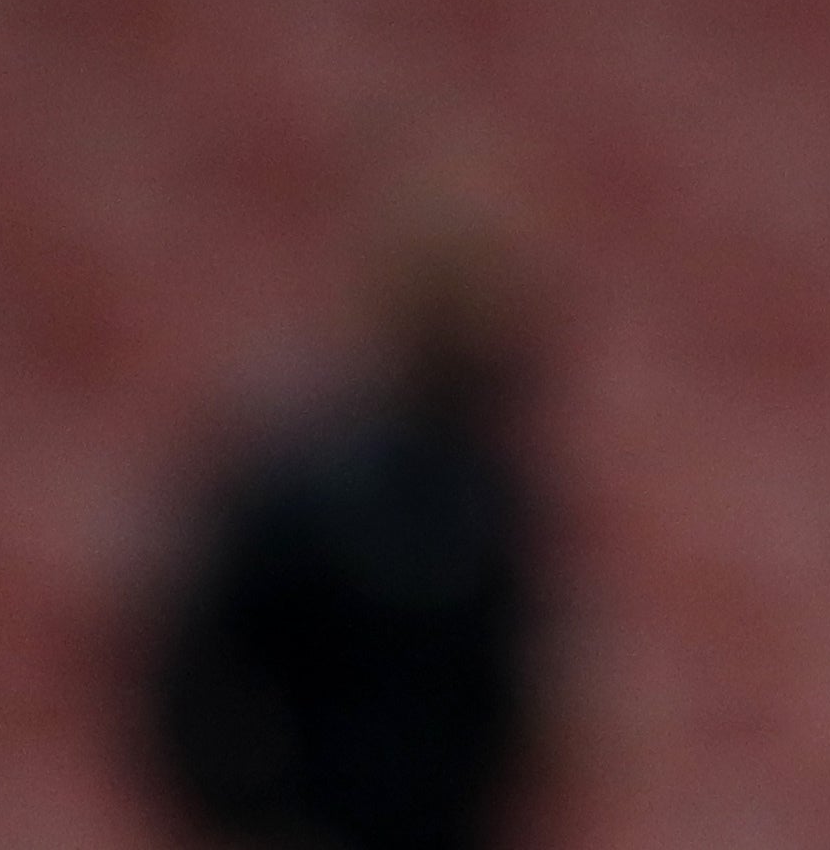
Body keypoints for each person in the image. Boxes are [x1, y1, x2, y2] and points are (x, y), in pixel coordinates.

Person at [136, 192, 549, 850]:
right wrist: (257, 812)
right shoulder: (308, 483)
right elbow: (194, 675)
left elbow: (515, 701)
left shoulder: (494, 497)